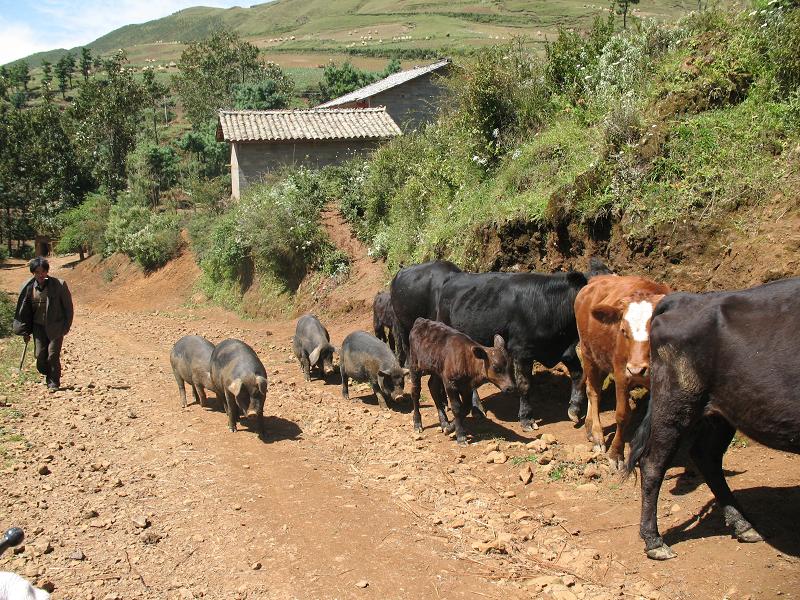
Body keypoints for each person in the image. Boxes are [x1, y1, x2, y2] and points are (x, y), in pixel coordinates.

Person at [13, 257, 74, 391]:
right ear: (33, 273)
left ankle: (53, 382)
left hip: (56, 326)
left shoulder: (59, 285)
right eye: (37, 272)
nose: (40, 275)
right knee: (39, 355)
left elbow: (68, 308)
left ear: (47, 272)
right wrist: (24, 330)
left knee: (52, 354)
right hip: (38, 326)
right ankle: (47, 373)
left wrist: (66, 327)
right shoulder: (28, 288)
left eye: (43, 272)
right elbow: (24, 311)